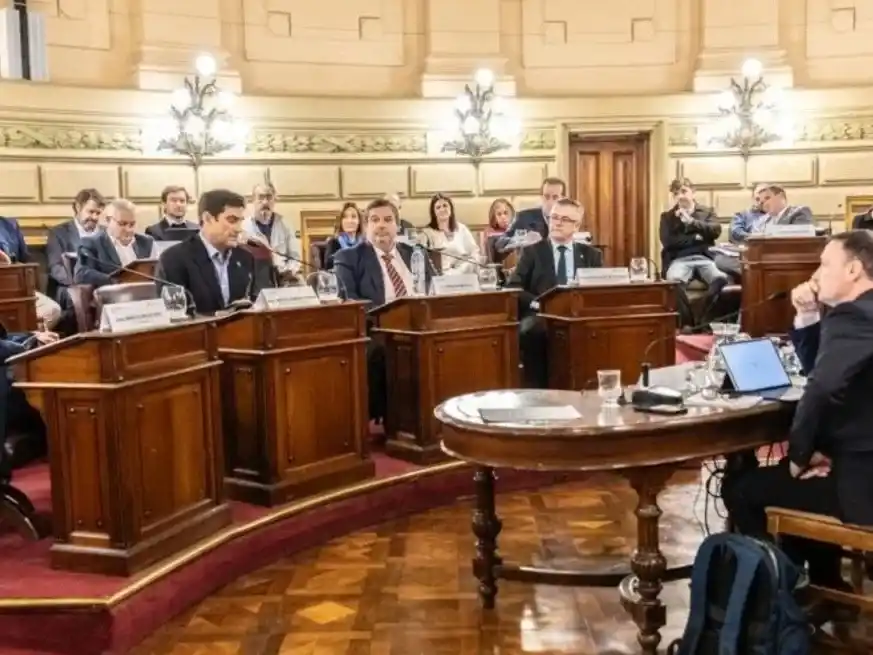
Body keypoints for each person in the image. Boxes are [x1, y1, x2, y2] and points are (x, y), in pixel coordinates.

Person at [723, 229, 873, 592]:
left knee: (742, 488)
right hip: (860, 461)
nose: (816, 276)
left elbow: (820, 387)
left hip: (863, 489)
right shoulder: (860, 316)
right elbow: (824, 370)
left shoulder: (852, 316)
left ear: (853, 270)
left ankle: (777, 595)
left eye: (824, 264)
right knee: (798, 484)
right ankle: (826, 583)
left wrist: (800, 454)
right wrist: (807, 314)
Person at [506, 197, 603, 387]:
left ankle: (587, 386)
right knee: (533, 331)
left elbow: (598, 291)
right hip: (540, 314)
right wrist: (539, 303)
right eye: (554, 217)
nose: (557, 222)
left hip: (578, 316)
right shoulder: (532, 252)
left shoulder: (592, 255)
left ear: (576, 226)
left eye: (564, 219)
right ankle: (538, 390)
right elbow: (514, 287)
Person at [155, 189, 260, 315]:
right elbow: (175, 316)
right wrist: (217, 317)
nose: (238, 229)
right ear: (207, 218)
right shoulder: (173, 260)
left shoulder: (245, 258)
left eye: (240, 221)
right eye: (232, 220)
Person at [659, 178, 727, 328]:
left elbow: (715, 231)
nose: (680, 196)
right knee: (673, 284)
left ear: (693, 192)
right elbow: (669, 242)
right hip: (680, 259)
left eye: (684, 191)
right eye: (676, 193)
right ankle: (688, 323)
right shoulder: (667, 217)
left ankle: (702, 319)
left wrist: (691, 222)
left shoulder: (707, 212)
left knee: (721, 279)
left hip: (705, 258)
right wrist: (698, 237)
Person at [74, 199, 155, 289]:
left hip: (146, 294)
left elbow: (157, 270)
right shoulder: (92, 243)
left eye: (132, 224)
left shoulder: (146, 242)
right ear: (108, 220)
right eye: (122, 224)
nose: (129, 229)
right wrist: (117, 281)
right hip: (113, 296)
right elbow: (81, 274)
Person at [420, 193, 480, 274]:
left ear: (451, 208)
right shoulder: (427, 233)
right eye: (438, 207)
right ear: (433, 212)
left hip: (465, 273)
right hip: (442, 276)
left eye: (445, 206)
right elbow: (422, 259)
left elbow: (474, 252)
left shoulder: (462, 229)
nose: (442, 209)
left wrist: (470, 265)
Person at [324, 202, 363, 270]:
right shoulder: (334, 242)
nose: (349, 221)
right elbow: (328, 265)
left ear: (359, 221)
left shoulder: (365, 244)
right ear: (341, 221)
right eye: (345, 217)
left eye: (353, 217)